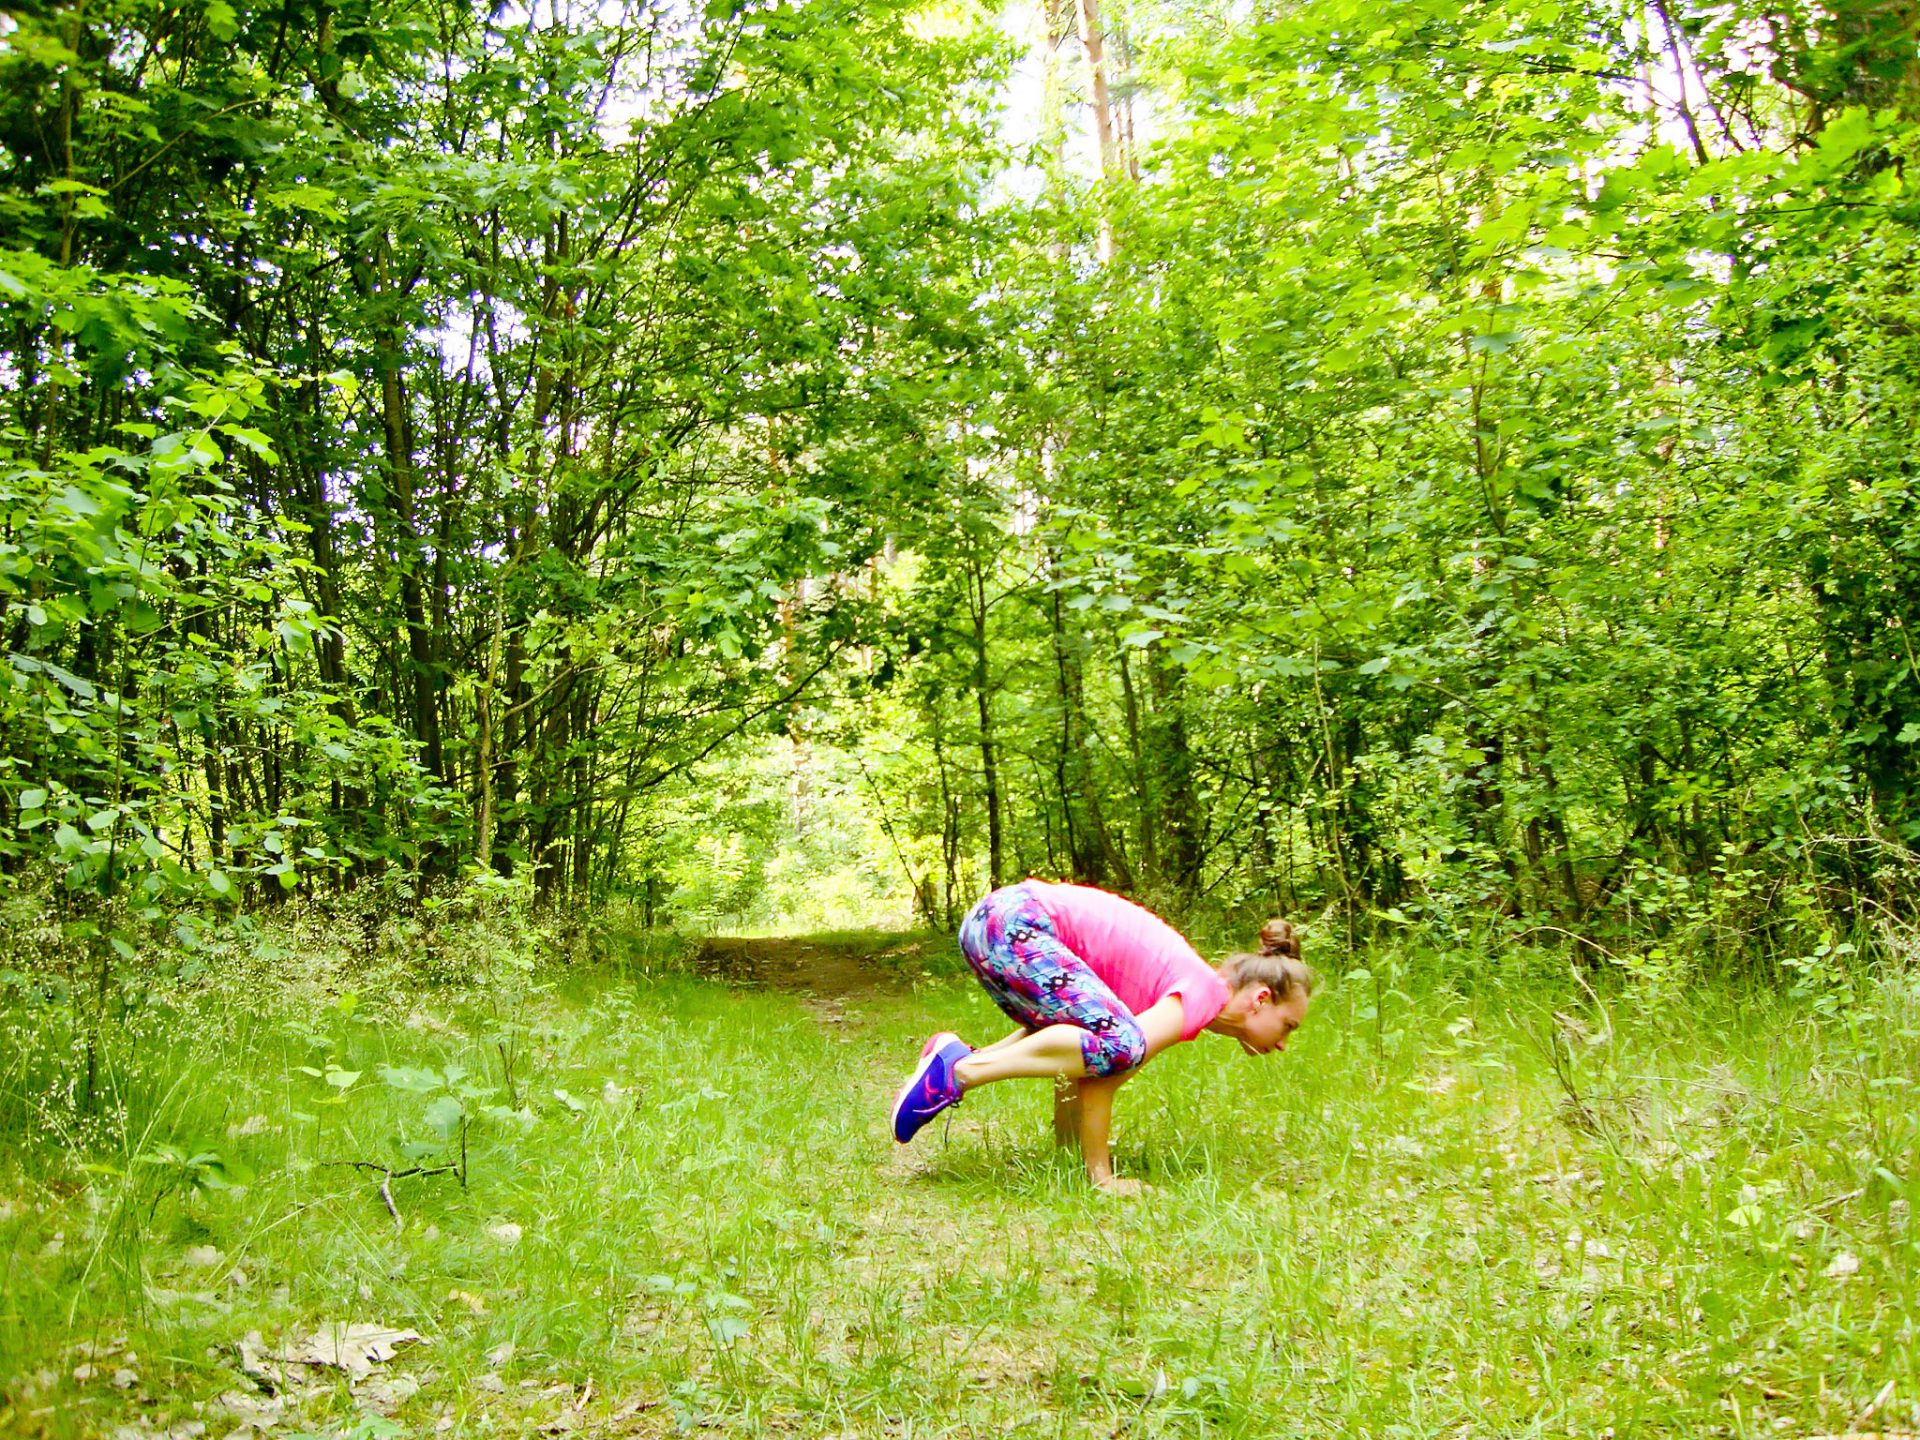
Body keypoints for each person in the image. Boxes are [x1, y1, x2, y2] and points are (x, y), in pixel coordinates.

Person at [890, 880, 1315, 1194]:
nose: (1282, 1043)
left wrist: (1068, 1157)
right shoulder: (1204, 995)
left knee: (1094, 1043)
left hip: (993, 921)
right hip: (1017, 923)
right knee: (1120, 1047)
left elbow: (1082, 1065)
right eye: (1287, 1026)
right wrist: (1102, 1178)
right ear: (1261, 999)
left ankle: (958, 1056)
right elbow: (1108, 1072)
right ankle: (959, 1070)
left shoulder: (1192, 991)